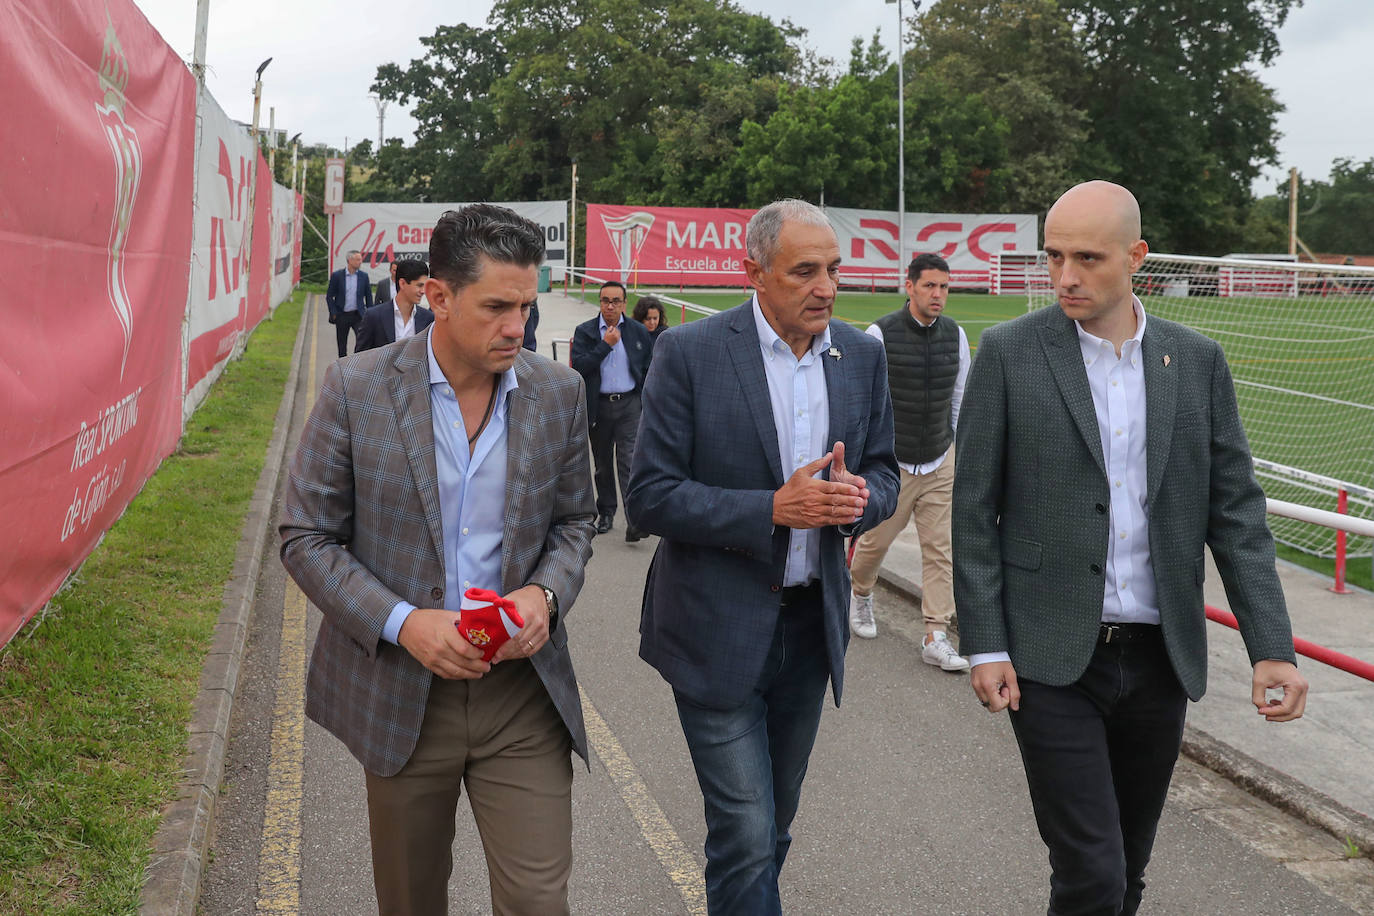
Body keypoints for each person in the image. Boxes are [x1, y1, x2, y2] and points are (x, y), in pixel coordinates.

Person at [953, 180, 1308, 916]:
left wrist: (1271, 645)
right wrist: (985, 643)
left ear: (1136, 256)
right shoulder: (1009, 353)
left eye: (1086, 257)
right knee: (1092, 874)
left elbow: (1235, 513)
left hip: (1159, 660)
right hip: (1050, 659)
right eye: (1053, 257)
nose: (1064, 278)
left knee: (1128, 873)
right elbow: (973, 511)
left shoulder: (1197, 360)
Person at [280, 204, 596, 915]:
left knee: (540, 902)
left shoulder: (558, 392)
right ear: (439, 296)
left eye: (526, 305)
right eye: (496, 307)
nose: (517, 327)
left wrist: (543, 596)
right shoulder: (356, 389)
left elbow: (577, 521)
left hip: (521, 695)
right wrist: (404, 623)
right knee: (412, 898)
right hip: (403, 693)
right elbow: (306, 536)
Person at [627, 199, 899, 915]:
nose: (826, 288)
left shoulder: (862, 356)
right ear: (752, 272)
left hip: (811, 631)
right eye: (805, 271)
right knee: (746, 830)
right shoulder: (690, 353)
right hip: (714, 626)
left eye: (833, 270)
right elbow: (649, 497)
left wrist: (859, 500)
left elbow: (885, 475)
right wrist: (771, 510)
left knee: (772, 823)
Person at [847, 252, 971, 672]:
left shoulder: (956, 336)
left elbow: (959, 400)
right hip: (892, 465)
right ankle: (860, 593)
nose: (939, 295)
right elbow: (864, 403)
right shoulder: (878, 335)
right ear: (911, 286)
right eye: (931, 286)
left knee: (941, 550)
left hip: (940, 458)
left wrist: (959, 452)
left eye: (945, 287)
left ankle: (936, 634)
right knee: (874, 543)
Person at [571, 280, 654, 541]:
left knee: (629, 461)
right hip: (599, 406)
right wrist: (605, 345)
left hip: (630, 404)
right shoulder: (585, 331)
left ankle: (635, 519)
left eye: (616, 301)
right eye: (606, 300)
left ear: (624, 303)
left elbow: (649, 367)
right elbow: (580, 366)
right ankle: (606, 512)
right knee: (603, 464)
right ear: (600, 302)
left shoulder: (638, 332)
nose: (610, 306)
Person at [356, 258, 434, 352]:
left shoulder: (428, 318)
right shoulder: (374, 316)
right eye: (419, 285)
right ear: (402, 283)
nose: (423, 291)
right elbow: (359, 358)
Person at [325, 249, 372, 357]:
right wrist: (334, 312)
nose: (360, 262)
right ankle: (343, 368)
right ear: (349, 260)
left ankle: (358, 364)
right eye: (357, 259)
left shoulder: (363, 276)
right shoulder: (337, 276)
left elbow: (368, 296)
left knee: (363, 342)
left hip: (358, 315)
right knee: (342, 345)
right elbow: (329, 296)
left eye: (360, 259)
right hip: (342, 315)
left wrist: (370, 313)